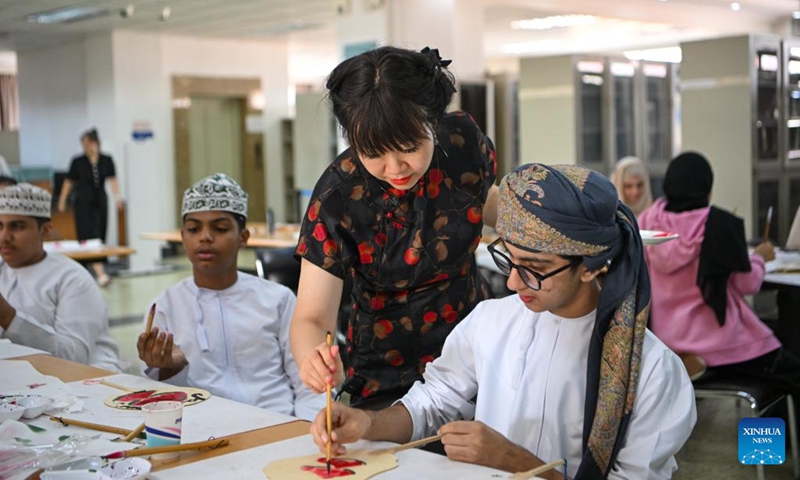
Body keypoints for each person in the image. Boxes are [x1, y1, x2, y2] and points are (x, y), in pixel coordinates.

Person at [310, 164, 696, 479]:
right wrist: (367, 423)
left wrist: (516, 462)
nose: (512, 282)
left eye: (535, 269)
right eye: (509, 260)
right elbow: (434, 402)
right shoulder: (492, 322)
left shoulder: (650, 370)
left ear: (592, 267)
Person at [291, 46, 499, 408]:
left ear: (433, 122)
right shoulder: (338, 197)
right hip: (386, 375)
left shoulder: (462, 144)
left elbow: (489, 202)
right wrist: (315, 358)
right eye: (373, 152)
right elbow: (311, 317)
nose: (395, 168)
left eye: (408, 147)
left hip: (476, 353)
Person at [137, 173, 324, 421]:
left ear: (243, 238)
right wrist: (171, 371)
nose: (205, 237)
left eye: (220, 228)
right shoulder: (165, 306)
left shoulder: (277, 300)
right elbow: (156, 400)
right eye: (193, 229)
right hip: (202, 430)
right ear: (183, 237)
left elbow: (309, 382)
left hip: (274, 425)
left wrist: (305, 430)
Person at [639, 152, 799, 382]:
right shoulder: (720, 224)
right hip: (724, 346)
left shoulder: (645, 222)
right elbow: (748, 283)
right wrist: (760, 258)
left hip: (668, 346)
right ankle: (771, 418)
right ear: (707, 187)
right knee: (790, 372)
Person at [0, 183, 120, 371]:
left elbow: (73, 357)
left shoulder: (72, 279)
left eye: (17, 226)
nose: (4, 237)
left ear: (45, 231)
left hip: (86, 385)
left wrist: (8, 317)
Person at [57, 129, 122, 287]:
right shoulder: (78, 161)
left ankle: (92, 271)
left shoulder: (106, 160)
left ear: (95, 143)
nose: (85, 147)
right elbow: (68, 181)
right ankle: (99, 273)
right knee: (87, 235)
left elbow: (112, 179)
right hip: (83, 201)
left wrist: (117, 197)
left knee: (100, 233)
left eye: (88, 143)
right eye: (83, 144)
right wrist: (62, 200)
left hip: (100, 199)